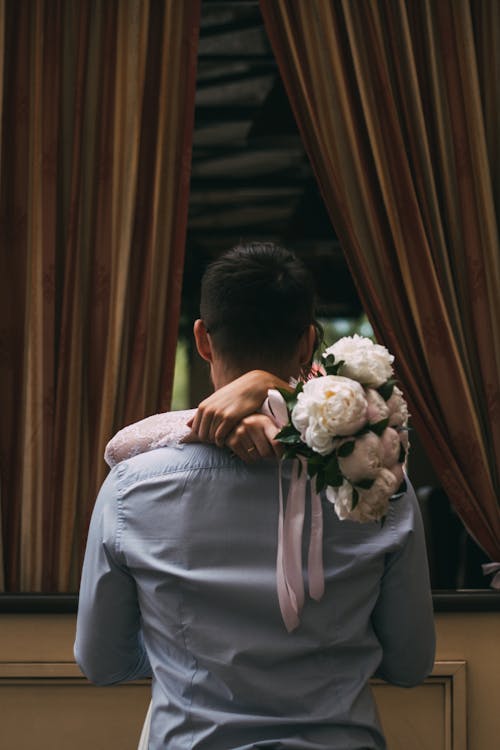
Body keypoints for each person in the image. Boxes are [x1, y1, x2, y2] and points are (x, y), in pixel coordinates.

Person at [75, 242, 435, 750]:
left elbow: (102, 663)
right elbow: (410, 665)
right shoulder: (376, 483)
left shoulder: (131, 487)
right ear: (310, 342)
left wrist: (178, 656)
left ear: (202, 338)